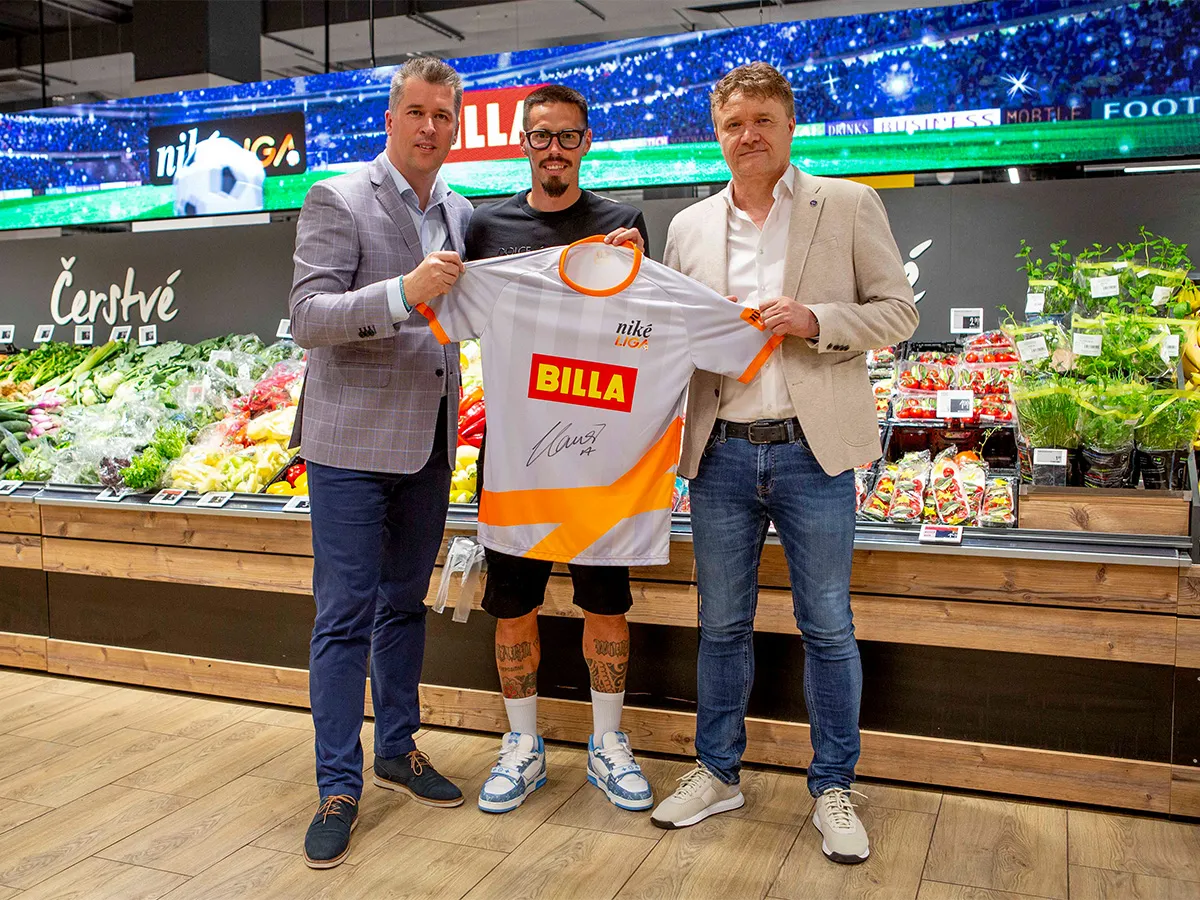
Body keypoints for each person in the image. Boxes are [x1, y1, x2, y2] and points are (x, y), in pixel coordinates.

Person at [649, 62, 918, 864]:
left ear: (790, 126)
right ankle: (716, 772)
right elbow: (671, 334)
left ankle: (833, 785)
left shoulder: (848, 204)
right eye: (733, 124)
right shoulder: (689, 227)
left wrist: (814, 319)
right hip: (722, 454)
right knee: (721, 625)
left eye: (762, 120)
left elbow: (898, 313)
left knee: (827, 625)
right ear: (717, 134)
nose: (749, 136)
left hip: (814, 451)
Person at [288, 57, 474, 869]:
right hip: (351, 447)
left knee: (405, 605)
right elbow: (308, 316)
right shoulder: (337, 197)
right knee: (344, 618)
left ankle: (397, 747)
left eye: (444, 115)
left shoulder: (460, 210)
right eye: (418, 112)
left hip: (429, 442)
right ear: (391, 118)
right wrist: (403, 293)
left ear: (457, 125)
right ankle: (338, 785)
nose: (431, 127)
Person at [463, 84, 654, 815]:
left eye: (568, 136)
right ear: (523, 141)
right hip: (516, 453)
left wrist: (636, 272)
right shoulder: (486, 227)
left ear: (586, 142)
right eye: (541, 136)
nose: (554, 149)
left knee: (607, 602)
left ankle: (608, 742)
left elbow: (642, 330)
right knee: (512, 605)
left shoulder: (622, 223)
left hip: (602, 454)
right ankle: (522, 744)